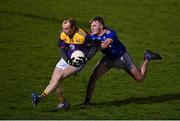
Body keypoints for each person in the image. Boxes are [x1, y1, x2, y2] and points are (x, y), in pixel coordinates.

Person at [83, 16, 162, 105]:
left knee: (140, 78)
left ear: (101, 26)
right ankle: (87, 102)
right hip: (108, 59)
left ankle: (147, 57)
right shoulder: (92, 36)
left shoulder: (110, 33)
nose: (92, 28)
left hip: (123, 58)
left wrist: (93, 47)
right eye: (91, 26)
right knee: (93, 77)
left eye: (94, 25)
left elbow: (105, 45)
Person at [32, 18, 96, 110]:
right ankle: (63, 103)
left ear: (73, 28)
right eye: (63, 28)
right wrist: (67, 60)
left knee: (59, 77)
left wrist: (85, 59)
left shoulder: (83, 35)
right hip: (65, 59)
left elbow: (93, 48)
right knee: (53, 81)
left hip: (77, 62)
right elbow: (62, 50)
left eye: (67, 28)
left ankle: (40, 97)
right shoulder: (63, 34)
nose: (64, 30)